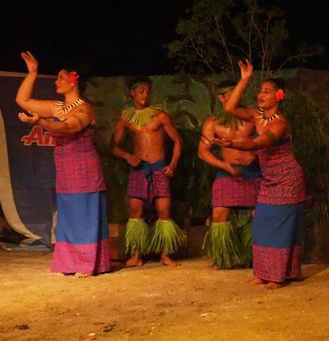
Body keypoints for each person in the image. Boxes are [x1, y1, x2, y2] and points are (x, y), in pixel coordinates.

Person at [15, 51, 111, 276]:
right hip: (65, 170)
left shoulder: (84, 110)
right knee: (67, 215)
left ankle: (88, 264)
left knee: (83, 214)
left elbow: (67, 127)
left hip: (84, 169)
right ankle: (68, 263)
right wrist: (32, 74)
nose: (56, 81)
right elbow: (23, 101)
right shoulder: (58, 107)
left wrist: (41, 121)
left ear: (73, 81)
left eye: (60, 77)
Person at [220, 60, 306, 289]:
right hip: (269, 179)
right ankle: (263, 272)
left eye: (266, 91)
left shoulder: (280, 124)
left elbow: (261, 142)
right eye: (259, 91)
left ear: (279, 95)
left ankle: (279, 276)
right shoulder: (256, 115)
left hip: (288, 178)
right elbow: (229, 108)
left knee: (281, 226)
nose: (261, 95)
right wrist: (245, 79)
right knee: (260, 224)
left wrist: (236, 144)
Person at [111, 77, 184, 267]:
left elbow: (177, 141)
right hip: (139, 168)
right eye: (141, 91)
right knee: (135, 212)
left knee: (164, 212)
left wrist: (173, 165)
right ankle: (136, 256)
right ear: (132, 93)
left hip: (159, 167)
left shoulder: (160, 116)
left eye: (147, 91)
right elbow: (113, 146)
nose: (145, 94)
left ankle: (165, 255)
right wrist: (128, 156)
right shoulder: (126, 118)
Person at [198, 80, 260, 269]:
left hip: (254, 172)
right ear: (221, 97)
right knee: (219, 214)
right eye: (232, 93)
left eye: (239, 93)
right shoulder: (213, 122)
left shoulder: (252, 116)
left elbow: (271, 138)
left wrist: (256, 153)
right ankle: (222, 257)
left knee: (257, 215)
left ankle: (255, 256)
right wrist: (224, 165)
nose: (237, 97)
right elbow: (203, 151)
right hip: (227, 172)